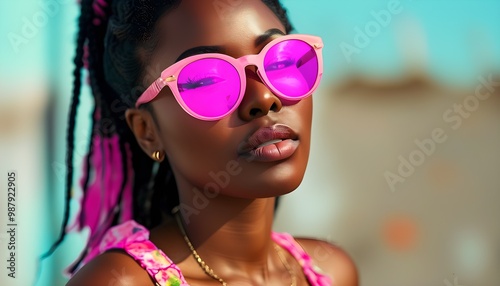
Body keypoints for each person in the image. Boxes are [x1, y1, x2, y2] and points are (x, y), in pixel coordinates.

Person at [51, 0, 358, 285]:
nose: (264, 98)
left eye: (279, 62)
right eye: (208, 80)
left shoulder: (331, 271)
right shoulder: (119, 281)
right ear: (148, 131)